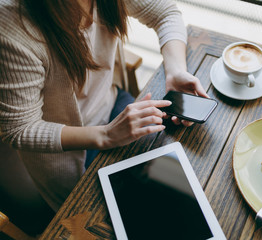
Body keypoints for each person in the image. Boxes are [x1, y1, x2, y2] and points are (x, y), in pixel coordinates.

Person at [0, 0, 208, 211]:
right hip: (67, 152)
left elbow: (165, 13)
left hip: (114, 106)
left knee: (184, 181)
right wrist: (106, 135)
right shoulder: (13, 24)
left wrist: (175, 71)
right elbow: (19, 129)